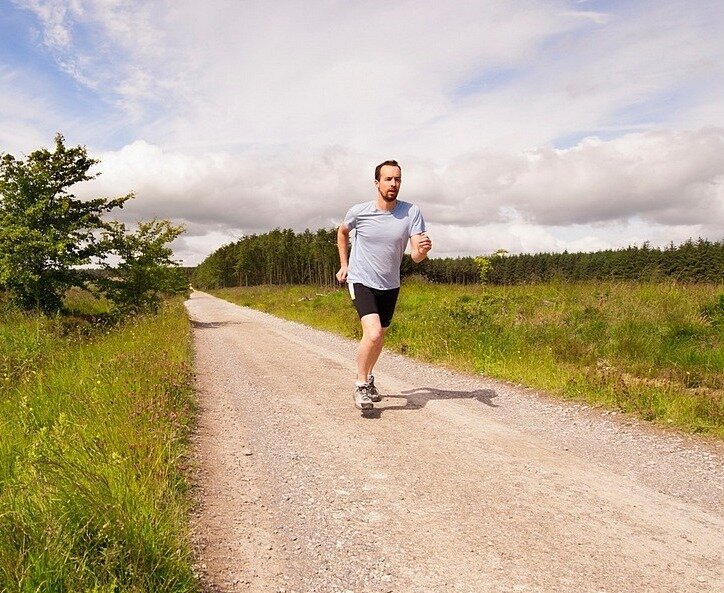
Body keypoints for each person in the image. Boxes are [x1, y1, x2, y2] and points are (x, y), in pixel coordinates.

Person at [336, 160, 432, 410]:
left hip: (390, 284)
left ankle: (368, 378)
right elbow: (342, 232)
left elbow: (415, 256)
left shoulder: (411, 212)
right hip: (362, 279)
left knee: (379, 339)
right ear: (377, 183)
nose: (394, 184)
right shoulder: (360, 212)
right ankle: (360, 385)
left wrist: (422, 250)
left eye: (397, 179)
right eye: (388, 179)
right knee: (374, 333)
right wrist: (344, 265)